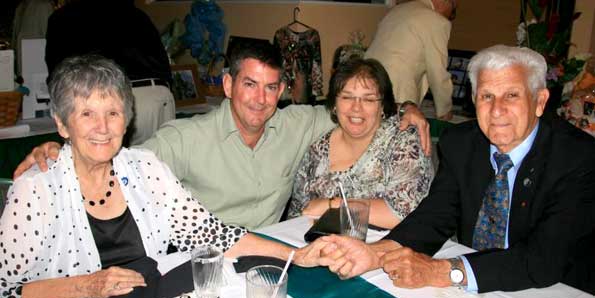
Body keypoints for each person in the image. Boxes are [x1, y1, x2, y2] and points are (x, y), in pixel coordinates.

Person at [0, 55, 332, 298]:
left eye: (112, 113)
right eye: (86, 114)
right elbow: (4, 297)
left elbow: (211, 232)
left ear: (126, 121)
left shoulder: (143, 168)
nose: (102, 128)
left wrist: (294, 255)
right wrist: (87, 285)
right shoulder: (37, 190)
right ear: (62, 124)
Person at [14, 41, 432, 230]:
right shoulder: (187, 138)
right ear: (229, 85)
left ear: (282, 91)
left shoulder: (297, 123)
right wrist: (64, 149)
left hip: (270, 257)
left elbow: (355, 112)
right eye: (249, 84)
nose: (260, 99)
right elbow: (118, 162)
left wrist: (406, 110)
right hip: (204, 259)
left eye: (271, 87)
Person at [320, 45, 595, 294]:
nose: (497, 110)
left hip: (560, 297)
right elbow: (435, 217)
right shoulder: (461, 144)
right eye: (486, 96)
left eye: (511, 95)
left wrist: (441, 271)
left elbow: (543, 259)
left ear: (540, 102)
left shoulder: (578, 158)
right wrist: (375, 253)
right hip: (478, 288)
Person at [288, 58, 434, 229]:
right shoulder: (317, 151)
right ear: (334, 104)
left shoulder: (403, 139)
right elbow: (298, 215)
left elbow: (403, 213)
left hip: (390, 248)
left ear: (383, 106)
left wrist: (332, 205)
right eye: (347, 97)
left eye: (369, 99)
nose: (356, 108)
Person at [44, 0, 175, 146]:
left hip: (106, 100)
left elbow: (58, 73)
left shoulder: (62, 17)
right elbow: (161, 58)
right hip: (154, 95)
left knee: (104, 165)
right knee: (159, 164)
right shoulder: (136, 14)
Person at [365, 0, 456, 121]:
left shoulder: (397, 10)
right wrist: (445, 110)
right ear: (446, 2)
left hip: (366, 79)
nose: (450, 16)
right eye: (452, 10)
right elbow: (438, 72)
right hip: (396, 91)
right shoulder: (436, 21)